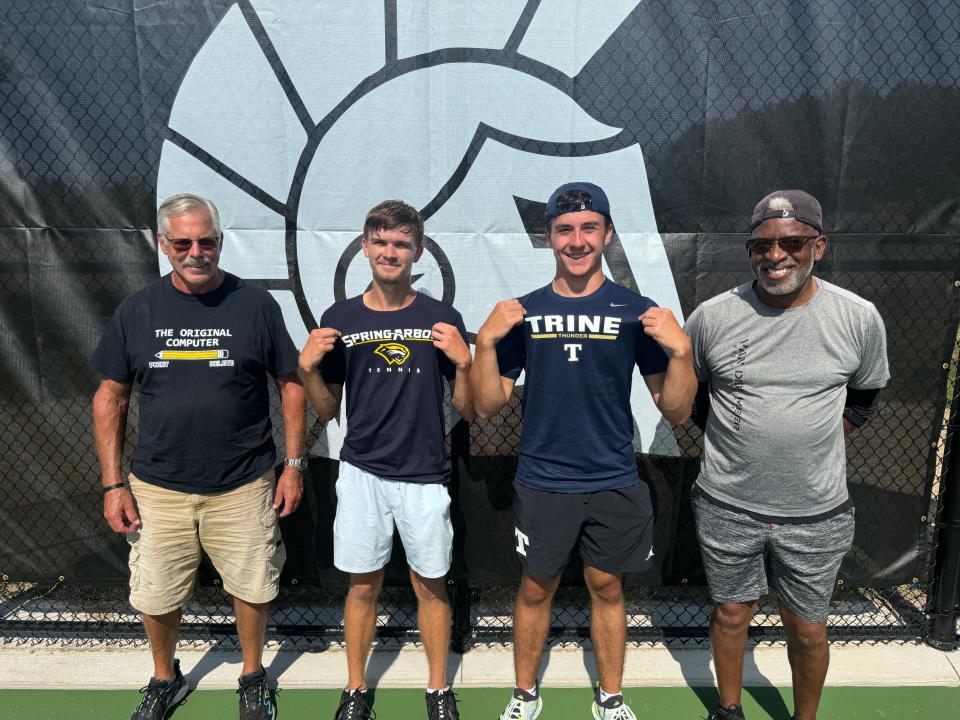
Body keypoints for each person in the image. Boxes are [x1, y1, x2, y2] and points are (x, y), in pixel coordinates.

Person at [470, 182, 697, 720]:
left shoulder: (636, 311)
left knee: (608, 586)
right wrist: (484, 342)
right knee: (534, 589)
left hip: (614, 476)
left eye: (588, 227)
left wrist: (682, 350)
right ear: (548, 236)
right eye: (565, 229)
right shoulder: (522, 311)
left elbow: (678, 409)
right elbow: (486, 403)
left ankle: (610, 697)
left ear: (607, 234)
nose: (577, 240)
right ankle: (525, 695)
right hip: (544, 479)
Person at [91, 193, 306, 720]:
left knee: (253, 586)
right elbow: (109, 397)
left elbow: (291, 385)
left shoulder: (256, 305)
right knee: (156, 594)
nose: (195, 252)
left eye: (206, 241)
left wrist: (294, 465)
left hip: (245, 480)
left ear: (219, 243)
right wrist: (113, 484)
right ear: (163, 245)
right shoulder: (137, 309)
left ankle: (253, 678)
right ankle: (166, 678)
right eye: (182, 242)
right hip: (158, 486)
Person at [685, 190, 889, 720]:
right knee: (730, 613)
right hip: (727, 503)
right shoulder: (711, 316)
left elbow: (865, 399)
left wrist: (809, 440)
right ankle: (728, 710)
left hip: (817, 511)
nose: (776, 256)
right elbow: (693, 398)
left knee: (808, 627)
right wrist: (743, 443)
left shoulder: (858, 318)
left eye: (792, 242)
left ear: (818, 246)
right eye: (762, 245)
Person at [298, 200, 474, 720]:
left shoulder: (442, 317)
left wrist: (464, 365)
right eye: (380, 241)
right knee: (362, 583)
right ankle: (355, 690)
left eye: (400, 243)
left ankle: (438, 690)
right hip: (362, 472)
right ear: (364, 247)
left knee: (431, 585)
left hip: (424, 472)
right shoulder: (341, 318)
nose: (390, 251)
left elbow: (466, 409)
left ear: (417, 250)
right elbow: (329, 411)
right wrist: (308, 372)